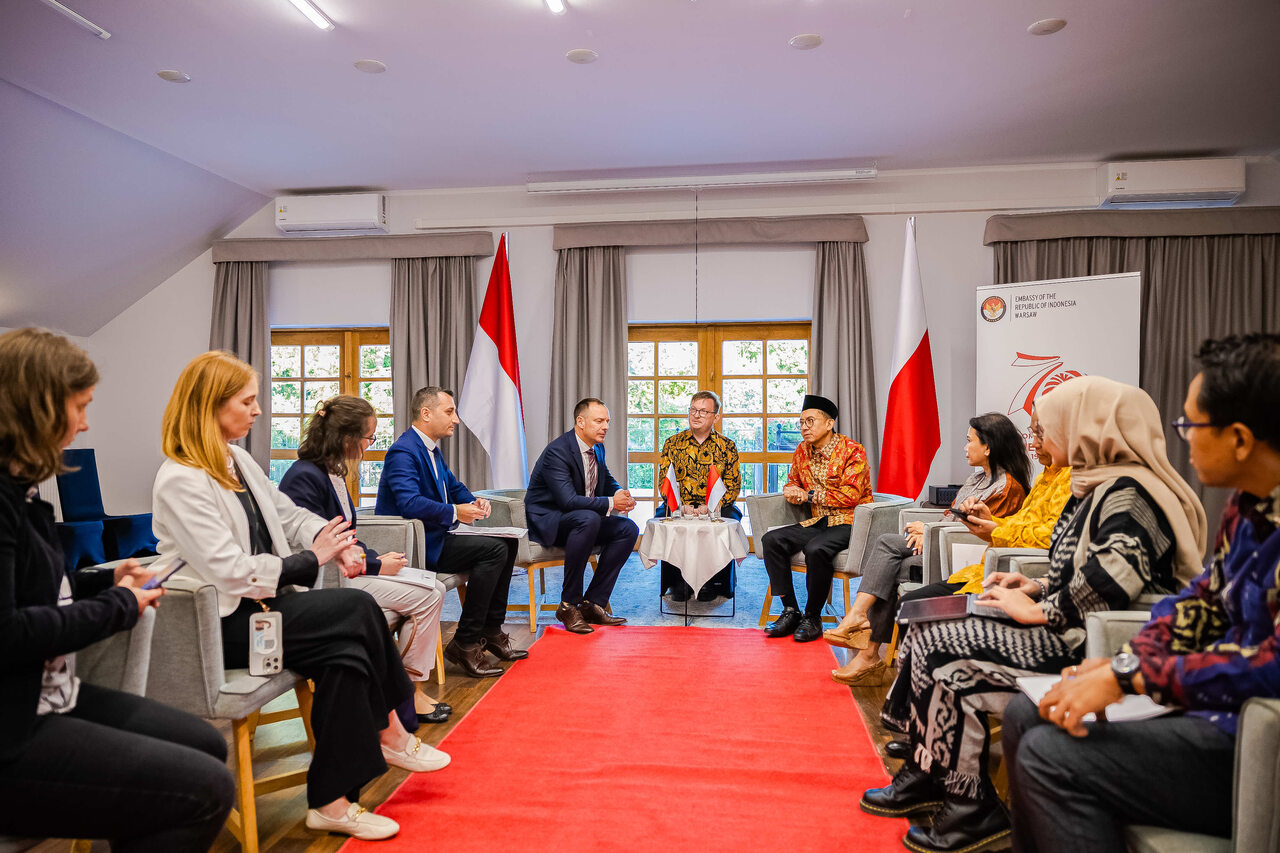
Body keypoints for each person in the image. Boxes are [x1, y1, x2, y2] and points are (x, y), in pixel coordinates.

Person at [860, 375, 1207, 853]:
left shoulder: (1131, 493)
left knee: (941, 647)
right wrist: (1036, 585)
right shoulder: (1095, 485)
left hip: (1086, 642)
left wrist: (1042, 607)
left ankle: (970, 803)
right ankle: (930, 769)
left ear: (1086, 427)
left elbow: (1112, 581)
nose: (1041, 438)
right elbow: (1075, 568)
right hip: (1066, 624)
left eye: (1051, 427)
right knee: (925, 626)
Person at [152, 351, 449, 842]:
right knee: (357, 607)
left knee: (346, 653)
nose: (258, 410)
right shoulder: (180, 478)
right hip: (219, 625)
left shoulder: (236, 460)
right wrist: (313, 558)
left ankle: (332, 803)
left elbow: (290, 516)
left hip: (261, 609)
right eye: (247, 401)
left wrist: (337, 544)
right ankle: (392, 730)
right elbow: (232, 574)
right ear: (209, 404)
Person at [1003, 333, 1280, 853]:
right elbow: (1201, 603)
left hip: (1255, 740)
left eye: (1191, 425)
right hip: (1211, 709)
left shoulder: (1132, 492)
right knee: (1025, 713)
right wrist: (1123, 663)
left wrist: (1133, 676)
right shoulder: (1248, 507)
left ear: (1241, 439)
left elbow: (1272, 665)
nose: (1183, 438)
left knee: (1050, 756)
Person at [0, 328, 235, 851]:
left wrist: (107, 578)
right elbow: (10, 632)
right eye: (79, 407)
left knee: (204, 743)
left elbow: (42, 591)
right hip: (12, 729)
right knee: (206, 790)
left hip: (48, 698)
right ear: (36, 408)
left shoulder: (22, 492)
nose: (85, 423)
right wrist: (120, 603)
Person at [875, 404, 1072, 760]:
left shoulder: (1074, 482)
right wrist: (991, 524)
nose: (1033, 443)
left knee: (917, 606)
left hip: (1017, 581)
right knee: (910, 596)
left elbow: (1050, 538)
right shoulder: (1048, 475)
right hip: (987, 570)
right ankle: (917, 723)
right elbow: (1016, 524)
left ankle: (918, 725)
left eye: (1040, 434)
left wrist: (994, 529)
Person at [279, 394, 451, 726]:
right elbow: (323, 546)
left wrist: (374, 558)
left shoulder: (331, 472)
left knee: (434, 586)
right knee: (430, 596)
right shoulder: (304, 476)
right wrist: (376, 565)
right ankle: (409, 691)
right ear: (346, 437)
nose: (369, 445)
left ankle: (408, 688)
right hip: (321, 582)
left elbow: (347, 537)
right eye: (368, 437)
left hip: (346, 570)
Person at [826, 412, 1031, 684]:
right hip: (939, 544)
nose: (965, 447)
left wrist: (930, 533)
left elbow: (980, 532)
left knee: (887, 550)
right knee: (891, 561)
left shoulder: (1007, 488)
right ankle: (866, 650)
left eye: (970, 441)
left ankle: (860, 628)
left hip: (962, 557)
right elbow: (952, 515)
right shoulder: (977, 479)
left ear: (988, 447)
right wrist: (927, 528)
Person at [375, 386, 524, 679]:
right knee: (494, 550)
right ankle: (465, 642)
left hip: (437, 538)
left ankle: (491, 630)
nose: (455, 419)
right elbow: (409, 503)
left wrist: (474, 501)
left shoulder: (430, 449)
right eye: (449, 411)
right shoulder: (403, 451)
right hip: (417, 546)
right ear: (426, 413)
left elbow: (453, 486)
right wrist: (456, 512)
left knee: (507, 543)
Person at [760, 393, 873, 642]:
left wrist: (808, 495)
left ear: (829, 423)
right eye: (801, 422)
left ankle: (813, 617)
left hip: (849, 521)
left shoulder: (853, 451)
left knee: (816, 548)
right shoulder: (802, 450)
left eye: (810, 421)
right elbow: (793, 481)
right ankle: (790, 610)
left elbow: (850, 496)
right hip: (817, 520)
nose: (804, 427)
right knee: (771, 540)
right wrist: (791, 490)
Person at [525, 397, 638, 634]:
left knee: (628, 529)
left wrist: (620, 493)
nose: (605, 426)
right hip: (551, 520)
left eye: (607, 421)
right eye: (599, 421)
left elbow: (605, 478)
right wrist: (611, 503)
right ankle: (568, 605)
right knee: (589, 518)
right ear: (580, 421)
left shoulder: (597, 447)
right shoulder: (558, 451)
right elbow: (566, 501)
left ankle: (592, 603)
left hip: (581, 519)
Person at [655, 389, 741, 601]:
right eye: (693, 410)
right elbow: (664, 481)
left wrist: (711, 507)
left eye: (703, 411)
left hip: (716, 506)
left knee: (728, 519)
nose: (696, 415)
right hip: (680, 504)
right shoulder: (673, 443)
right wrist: (680, 506)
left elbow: (733, 485)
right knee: (665, 518)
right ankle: (678, 581)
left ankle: (713, 581)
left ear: (715, 417)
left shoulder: (727, 446)